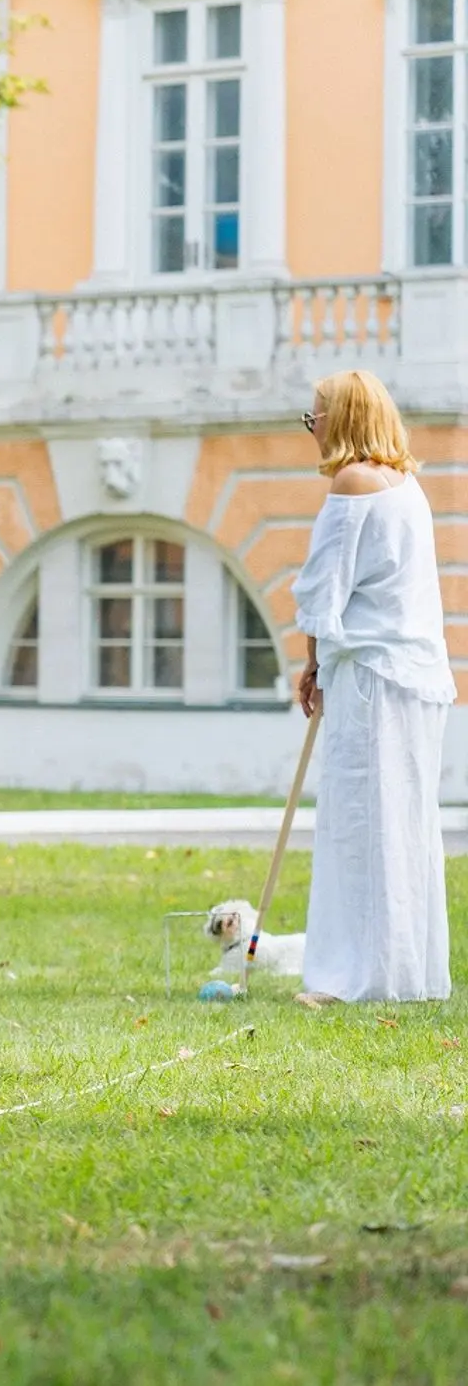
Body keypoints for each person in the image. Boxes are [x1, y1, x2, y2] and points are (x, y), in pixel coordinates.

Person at [291, 369, 452, 1007]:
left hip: (370, 680)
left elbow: (323, 589)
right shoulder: (407, 486)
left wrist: (312, 663)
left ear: (342, 419)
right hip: (414, 678)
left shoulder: (352, 482)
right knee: (404, 823)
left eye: (315, 417)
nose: (312, 429)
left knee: (360, 824)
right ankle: (403, 972)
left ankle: (351, 976)